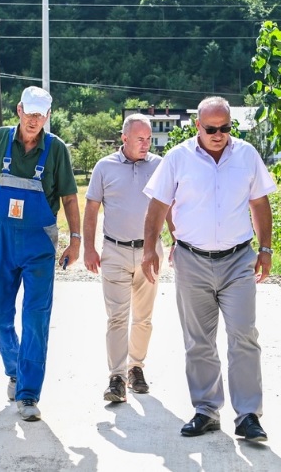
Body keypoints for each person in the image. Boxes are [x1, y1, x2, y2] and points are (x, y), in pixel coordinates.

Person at [142, 96, 275, 442]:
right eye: (211, 129)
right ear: (197, 126)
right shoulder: (177, 158)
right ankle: (206, 410)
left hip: (237, 260)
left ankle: (248, 415)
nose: (219, 134)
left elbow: (260, 203)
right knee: (199, 341)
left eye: (225, 127)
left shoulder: (246, 155)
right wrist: (149, 250)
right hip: (191, 260)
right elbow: (158, 205)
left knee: (244, 335)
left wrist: (265, 249)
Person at [0, 86, 81, 421]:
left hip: (39, 244)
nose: (33, 120)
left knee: (35, 318)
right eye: (29, 112)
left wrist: (76, 239)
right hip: (0, 240)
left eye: (40, 115)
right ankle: (16, 366)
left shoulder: (56, 150)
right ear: (18, 110)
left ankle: (28, 395)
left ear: (48, 116)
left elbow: (70, 198)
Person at [83, 113, 171, 404]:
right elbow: (92, 208)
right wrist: (89, 248)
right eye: (140, 139)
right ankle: (117, 377)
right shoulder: (104, 167)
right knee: (117, 317)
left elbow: (169, 207)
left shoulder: (160, 167)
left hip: (150, 252)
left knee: (143, 318)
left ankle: (136, 369)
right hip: (114, 251)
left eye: (148, 139)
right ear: (124, 138)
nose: (146, 144)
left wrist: (177, 242)